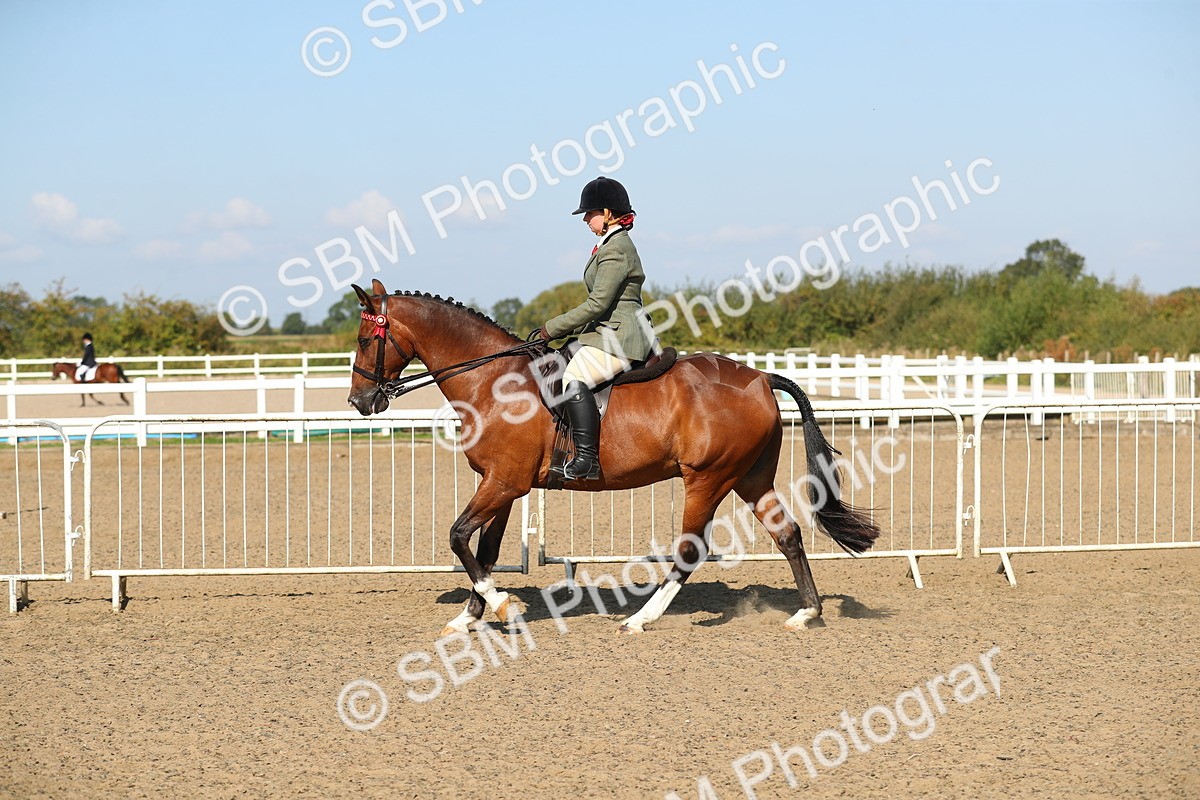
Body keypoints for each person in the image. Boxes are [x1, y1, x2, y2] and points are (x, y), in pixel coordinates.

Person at [539, 176, 654, 480]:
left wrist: (552, 328)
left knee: (575, 376)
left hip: (622, 336)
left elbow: (597, 305)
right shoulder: (608, 245)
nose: (586, 219)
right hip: (604, 332)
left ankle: (587, 460)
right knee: (554, 364)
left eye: (590, 214)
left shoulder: (617, 249)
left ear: (607, 213)